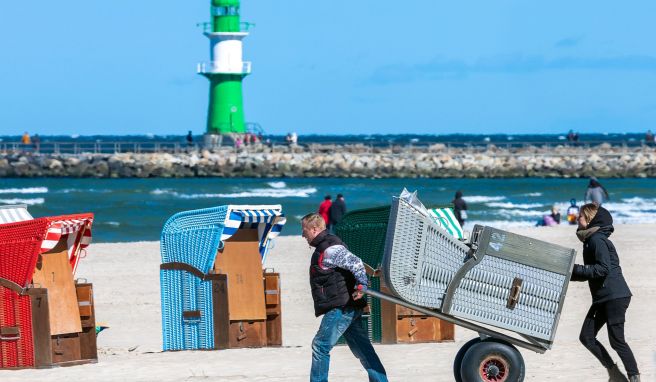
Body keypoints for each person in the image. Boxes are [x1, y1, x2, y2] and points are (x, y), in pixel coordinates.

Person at [301, 213, 388, 382]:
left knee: (320, 346)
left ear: (314, 229)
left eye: (304, 230)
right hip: (347, 306)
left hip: (341, 307)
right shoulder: (326, 245)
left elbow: (356, 263)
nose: (302, 234)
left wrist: (362, 285)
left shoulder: (330, 248)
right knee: (364, 350)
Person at [571, 204, 640, 382]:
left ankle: (634, 377)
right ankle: (615, 374)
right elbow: (591, 273)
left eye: (580, 216)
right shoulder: (591, 240)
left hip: (614, 296)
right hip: (604, 297)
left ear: (589, 219)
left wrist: (577, 269)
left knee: (617, 341)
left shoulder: (597, 240)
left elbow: (602, 269)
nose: (577, 219)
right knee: (586, 336)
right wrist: (570, 274)